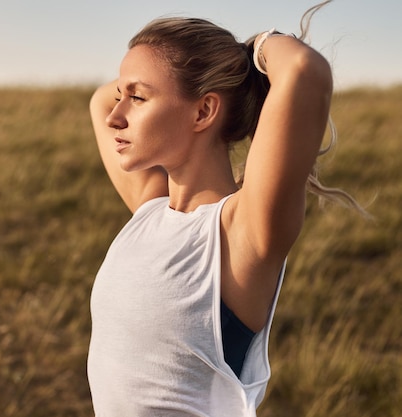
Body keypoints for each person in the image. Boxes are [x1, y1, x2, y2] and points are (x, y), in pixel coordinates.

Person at [86, 1, 362, 416]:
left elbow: (304, 72)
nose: (115, 116)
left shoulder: (239, 234)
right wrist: (156, 79)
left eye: (138, 98)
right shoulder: (150, 210)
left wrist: (256, 48)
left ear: (203, 111)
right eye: (123, 95)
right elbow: (98, 100)